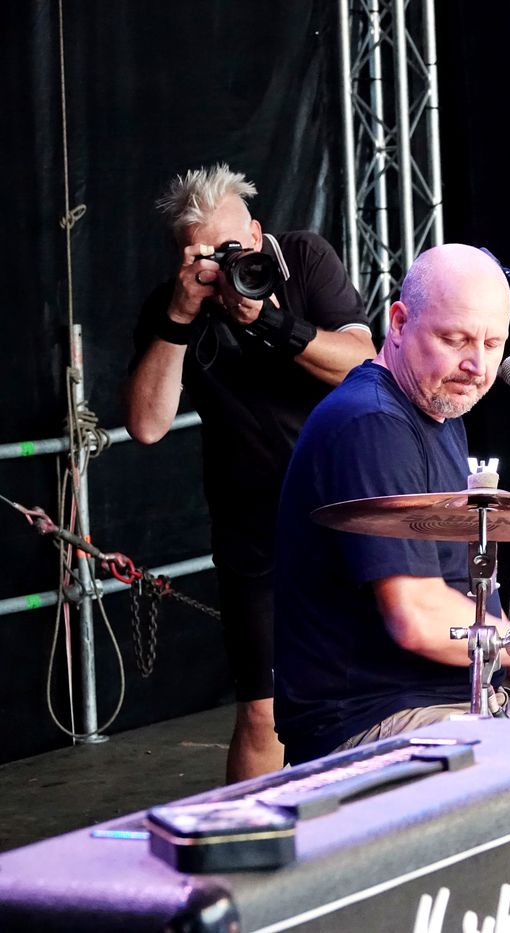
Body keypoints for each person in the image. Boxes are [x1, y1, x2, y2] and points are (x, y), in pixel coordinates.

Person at [273, 243, 510, 765]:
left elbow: (471, 594)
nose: (477, 365)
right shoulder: (373, 423)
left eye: (493, 343)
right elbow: (419, 616)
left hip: (457, 703)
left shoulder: (438, 410)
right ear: (399, 323)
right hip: (374, 721)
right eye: (454, 339)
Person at [125, 165, 375, 782]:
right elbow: (147, 425)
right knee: (262, 713)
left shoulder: (303, 259)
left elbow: (363, 364)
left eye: (237, 247)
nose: (229, 264)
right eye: (209, 256)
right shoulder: (172, 306)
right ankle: (252, 837)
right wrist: (179, 315)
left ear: (258, 234)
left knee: (373, 684)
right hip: (254, 527)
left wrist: (266, 320)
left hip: (348, 505)